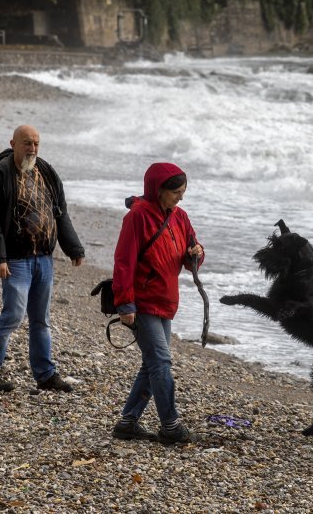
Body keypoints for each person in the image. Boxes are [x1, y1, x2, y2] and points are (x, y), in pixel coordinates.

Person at [0, 124, 84, 392]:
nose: (32, 149)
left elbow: (60, 212)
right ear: (13, 143)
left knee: (41, 319)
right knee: (13, 315)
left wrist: (74, 248)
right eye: (27, 143)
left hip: (44, 259)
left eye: (36, 143)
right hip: (15, 260)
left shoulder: (46, 172)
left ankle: (45, 375)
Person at [111, 162, 204, 444]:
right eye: (176, 191)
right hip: (142, 302)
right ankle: (171, 426)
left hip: (166, 301)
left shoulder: (180, 217)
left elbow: (191, 258)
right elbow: (123, 262)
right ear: (158, 189)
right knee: (161, 362)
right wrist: (125, 304)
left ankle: (127, 423)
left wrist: (196, 254)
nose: (180, 197)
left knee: (152, 363)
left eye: (183, 192)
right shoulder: (137, 216)